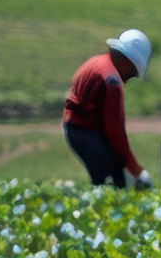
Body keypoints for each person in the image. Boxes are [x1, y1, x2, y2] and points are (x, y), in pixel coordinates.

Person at [62, 29, 154, 188]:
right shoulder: (112, 82)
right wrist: (136, 169)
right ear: (127, 62)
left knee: (113, 173)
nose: (129, 78)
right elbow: (115, 131)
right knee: (109, 185)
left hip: (75, 129)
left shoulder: (95, 63)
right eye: (132, 72)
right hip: (86, 132)